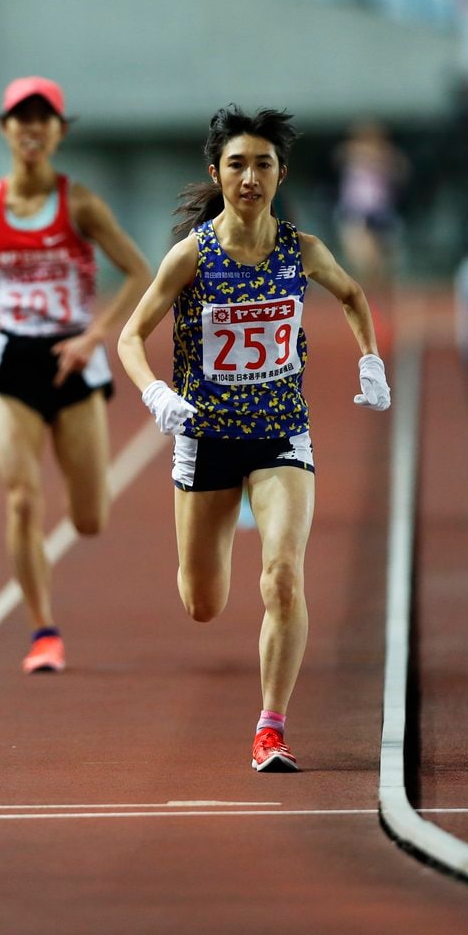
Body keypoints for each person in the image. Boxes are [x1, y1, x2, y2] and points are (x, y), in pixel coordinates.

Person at [116, 105, 391, 772]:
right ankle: (204, 552)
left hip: (280, 436)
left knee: (282, 578)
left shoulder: (303, 249)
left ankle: (271, 728)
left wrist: (370, 359)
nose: (249, 177)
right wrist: (156, 391)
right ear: (217, 172)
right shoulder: (192, 256)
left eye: (262, 164)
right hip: (206, 439)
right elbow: (129, 336)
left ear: (280, 173)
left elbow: (353, 295)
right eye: (236, 164)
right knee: (202, 603)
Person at [0, 76, 152, 674]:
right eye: (21, 118)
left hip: (74, 360)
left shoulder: (80, 204)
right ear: (4, 129)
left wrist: (95, 335)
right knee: (22, 501)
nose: (31, 128)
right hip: (13, 359)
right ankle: (43, 631)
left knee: (89, 518)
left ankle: (50, 606)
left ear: (59, 132)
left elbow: (139, 272)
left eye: (43, 118)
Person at [333, 119, 409, 298]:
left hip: (380, 211)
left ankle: (381, 292)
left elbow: (402, 172)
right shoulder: (352, 151)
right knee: (363, 256)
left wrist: (383, 159)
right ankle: (365, 293)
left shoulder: (388, 154)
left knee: (385, 260)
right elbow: (339, 157)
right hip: (356, 211)